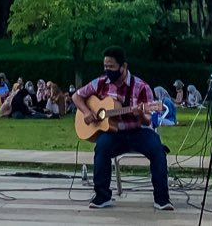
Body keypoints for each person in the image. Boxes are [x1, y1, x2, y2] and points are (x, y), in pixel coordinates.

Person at [73, 46, 172, 211]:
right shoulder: (101, 82)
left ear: (123, 67)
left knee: (157, 148)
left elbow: (148, 122)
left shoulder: (142, 87)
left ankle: (162, 198)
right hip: (114, 132)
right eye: (105, 66)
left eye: (111, 67)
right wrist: (86, 111)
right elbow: (77, 96)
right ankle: (102, 196)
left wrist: (139, 114)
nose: (107, 70)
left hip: (138, 132)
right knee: (102, 147)